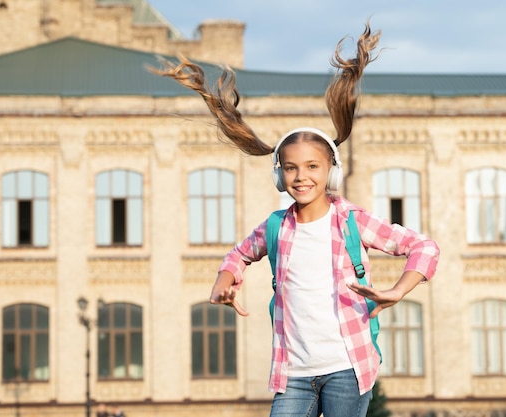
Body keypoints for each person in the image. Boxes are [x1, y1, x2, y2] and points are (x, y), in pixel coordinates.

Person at [153, 23, 439, 417]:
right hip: (293, 375)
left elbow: (424, 247)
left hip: (348, 368)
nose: (301, 176)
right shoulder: (275, 227)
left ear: (331, 172)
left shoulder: (352, 221)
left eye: (311, 167)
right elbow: (238, 256)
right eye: (290, 168)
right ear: (279, 176)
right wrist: (224, 281)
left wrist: (397, 291)